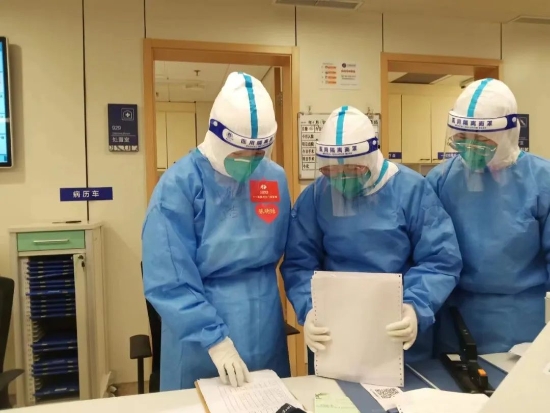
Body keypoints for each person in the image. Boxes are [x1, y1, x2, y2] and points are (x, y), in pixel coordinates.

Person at [281, 106, 462, 370]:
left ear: (371, 159)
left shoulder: (410, 190)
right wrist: (310, 309)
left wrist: (415, 307)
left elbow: (440, 260)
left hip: (396, 326)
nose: (342, 181)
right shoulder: (317, 195)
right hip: (335, 330)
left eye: (352, 171)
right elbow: (299, 264)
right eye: (332, 172)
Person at [142, 72, 291, 390]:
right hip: (200, 338)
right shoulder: (179, 185)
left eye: (258, 154)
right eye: (239, 154)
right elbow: (168, 279)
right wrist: (215, 340)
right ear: (217, 137)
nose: (250, 163)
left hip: (265, 324)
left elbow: (294, 252)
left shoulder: (273, 178)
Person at [427, 78, 550, 355]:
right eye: (462, 137)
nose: (470, 147)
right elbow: (429, 255)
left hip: (523, 321)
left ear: (508, 134)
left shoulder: (542, 181)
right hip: (454, 319)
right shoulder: (441, 179)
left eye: (481, 140)